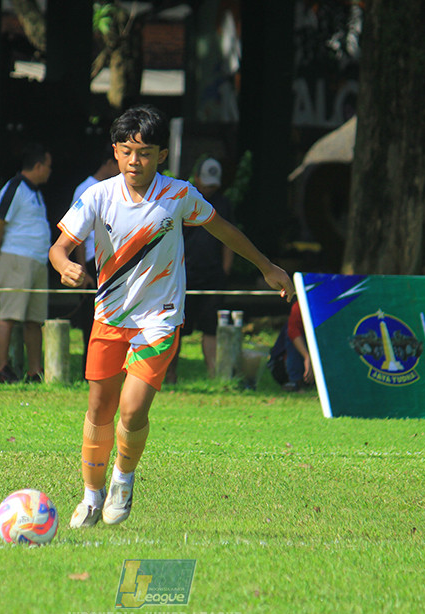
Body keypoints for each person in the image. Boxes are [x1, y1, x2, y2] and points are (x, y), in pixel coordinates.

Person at [49, 105, 293, 528]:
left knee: (131, 410)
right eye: (126, 152)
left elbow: (223, 229)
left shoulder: (179, 195)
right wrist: (63, 264)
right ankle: (91, 495)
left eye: (144, 153)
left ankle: (123, 479)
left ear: (162, 155)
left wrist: (266, 266)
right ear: (115, 151)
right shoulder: (98, 196)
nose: (133, 162)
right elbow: (59, 247)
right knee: (99, 408)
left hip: (159, 320)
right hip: (109, 318)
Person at [166, 156, 236, 382]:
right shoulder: (182, 200)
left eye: (213, 184)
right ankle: (169, 374)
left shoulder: (223, 204)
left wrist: (225, 269)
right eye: (206, 183)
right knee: (176, 326)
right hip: (184, 274)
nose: (210, 188)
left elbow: (229, 240)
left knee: (210, 328)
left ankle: (216, 376)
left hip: (213, 276)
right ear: (196, 178)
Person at [0, 143, 53, 383]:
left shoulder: (35, 191)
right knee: (9, 316)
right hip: (16, 259)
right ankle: (2, 369)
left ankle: (34, 371)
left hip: (36, 261)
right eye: (48, 166)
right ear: (37, 166)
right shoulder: (15, 187)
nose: (50, 171)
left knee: (35, 319)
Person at [68, 151, 120, 377]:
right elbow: (76, 234)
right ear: (109, 161)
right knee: (92, 320)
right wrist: (83, 269)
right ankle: (89, 372)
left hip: (109, 261)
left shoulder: (115, 189)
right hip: (91, 261)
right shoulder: (87, 189)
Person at [267, 300, 313, 391]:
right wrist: (307, 357)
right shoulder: (301, 305)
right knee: (292, 335)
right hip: (281, 366)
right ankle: (295, 381)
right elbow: (293, 333)